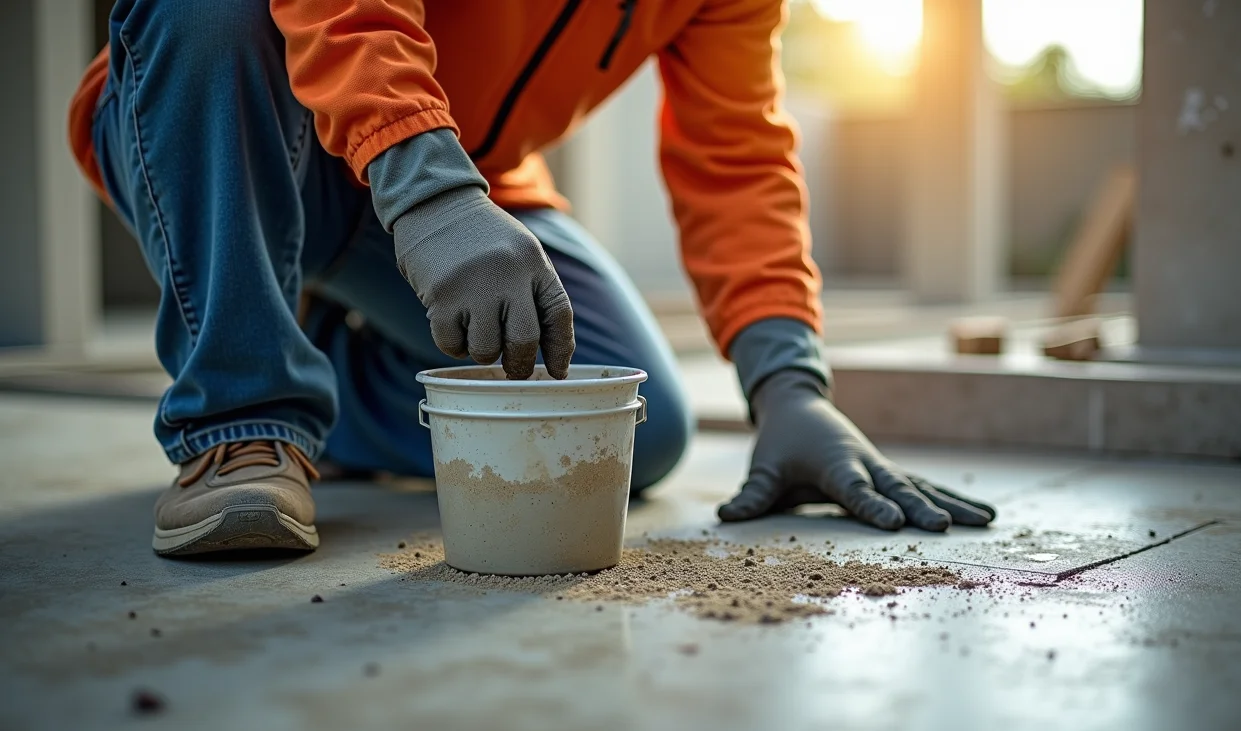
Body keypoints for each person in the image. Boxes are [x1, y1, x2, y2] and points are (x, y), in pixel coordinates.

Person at [68, 0, 996, 557]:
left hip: (460, 173)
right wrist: (427, 195)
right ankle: (243, 418)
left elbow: (739, 156)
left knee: (636, 427)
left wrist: (788, 380)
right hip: (221, 108)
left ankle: (301, 354)